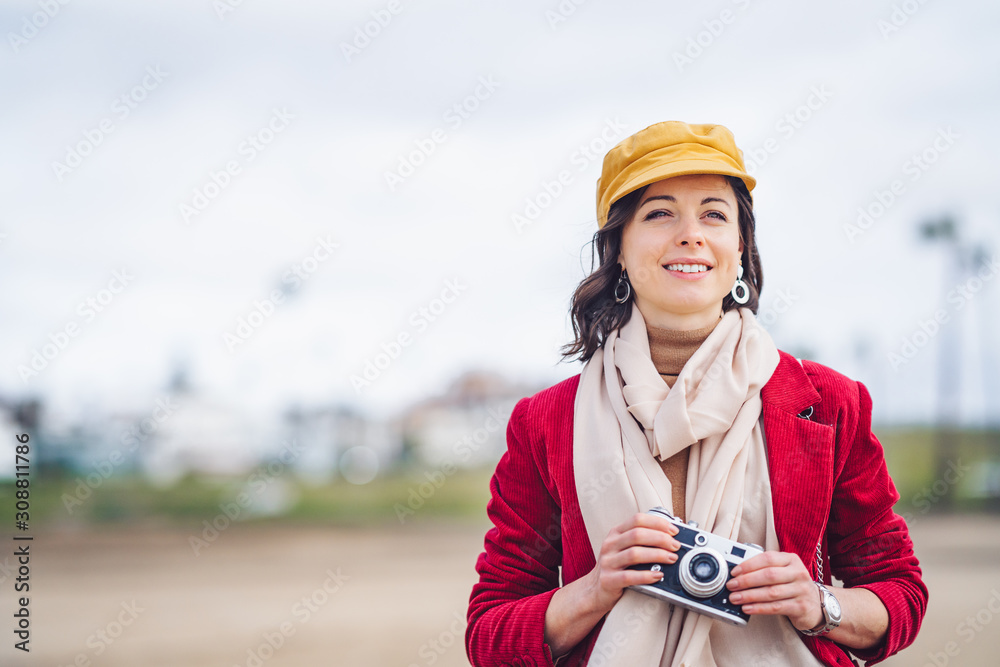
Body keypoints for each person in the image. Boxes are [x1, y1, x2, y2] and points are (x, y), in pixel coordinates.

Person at [465, 121, 927, 667]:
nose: (691, 234)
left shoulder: (829, 404)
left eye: (714, 213)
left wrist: (818, 603)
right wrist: (593, 590)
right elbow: (489, 634)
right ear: (617, 248)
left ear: (739, 247)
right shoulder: (546, 420)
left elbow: (900, 591)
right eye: (660, 213)